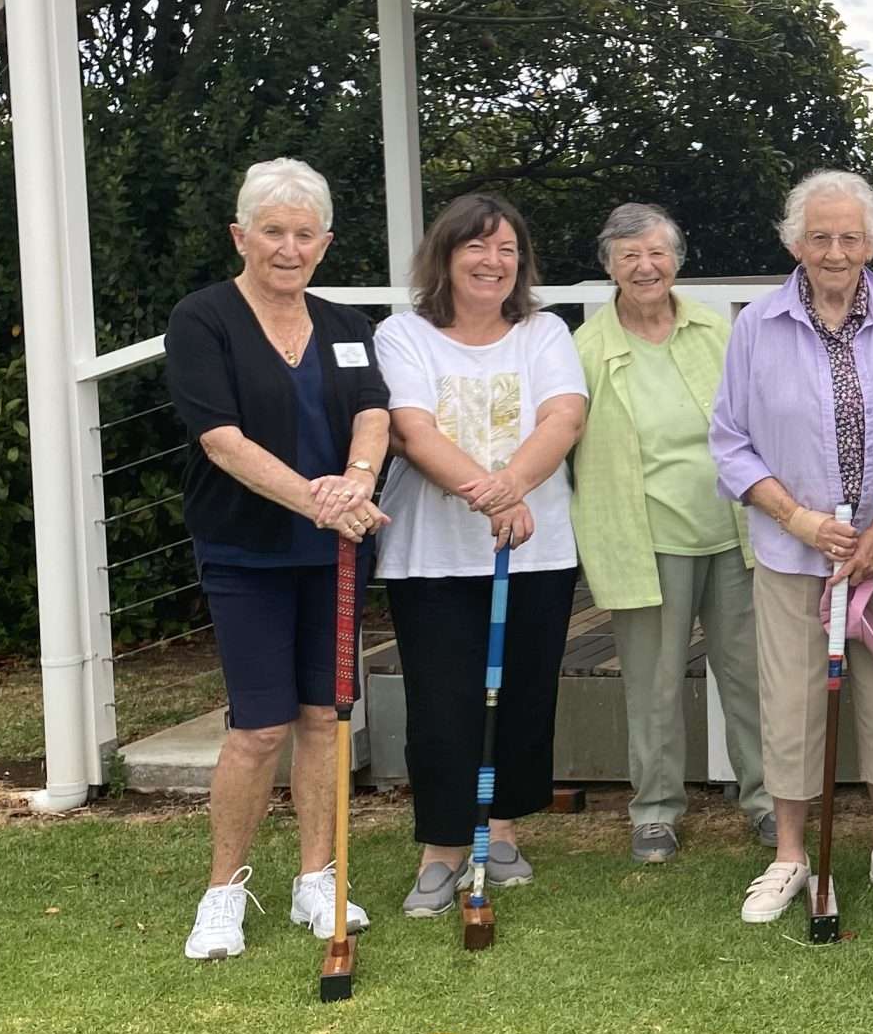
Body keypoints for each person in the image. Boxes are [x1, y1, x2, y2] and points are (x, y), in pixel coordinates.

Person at [168, 159, 389, 960]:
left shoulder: (344, 327)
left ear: (324, 244)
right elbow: (221, 441)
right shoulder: (204, 320)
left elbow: (374, 415)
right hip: (248, 553)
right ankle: (223, 892)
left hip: (333, 555)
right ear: (241, 236)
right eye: (273, 231)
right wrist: (321, 499)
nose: (288, 247)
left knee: (324, 723)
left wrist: (358, 480)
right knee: (258, 729)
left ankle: (316, 879)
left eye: (304, 234)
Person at [710, 171, 873, 925]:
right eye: (820, 236)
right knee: (792, 704)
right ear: (794, 243)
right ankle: (789, 854)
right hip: (792, 554)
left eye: (849, 237)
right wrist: (799, 520)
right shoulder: (757, 325)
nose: (835, 251)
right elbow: (731, 444)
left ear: (871, 243)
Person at [375, 194, 588, 918]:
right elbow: (412, 430)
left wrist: (514, 486)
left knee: (523, 698)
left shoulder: (544, 331)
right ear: (446, 255)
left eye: (507, 250)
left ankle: (498, 830)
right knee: (443, 706)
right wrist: (496, 497)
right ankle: (441, 847)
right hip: (431, 555)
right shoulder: (404, 334)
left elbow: (565, 415)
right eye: (477, 247)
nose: (492, 262)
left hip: (536, 551)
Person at [569, 202, 765, 866]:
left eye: (657, 253)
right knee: (652, 684)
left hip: (733, 529)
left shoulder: (718, 330)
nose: (646, 267)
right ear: (609, 267)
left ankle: (767, 800)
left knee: (750, 675)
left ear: (677, 260)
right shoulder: (587, 349)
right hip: (646, 536)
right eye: (630, 257)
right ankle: (655, 810)